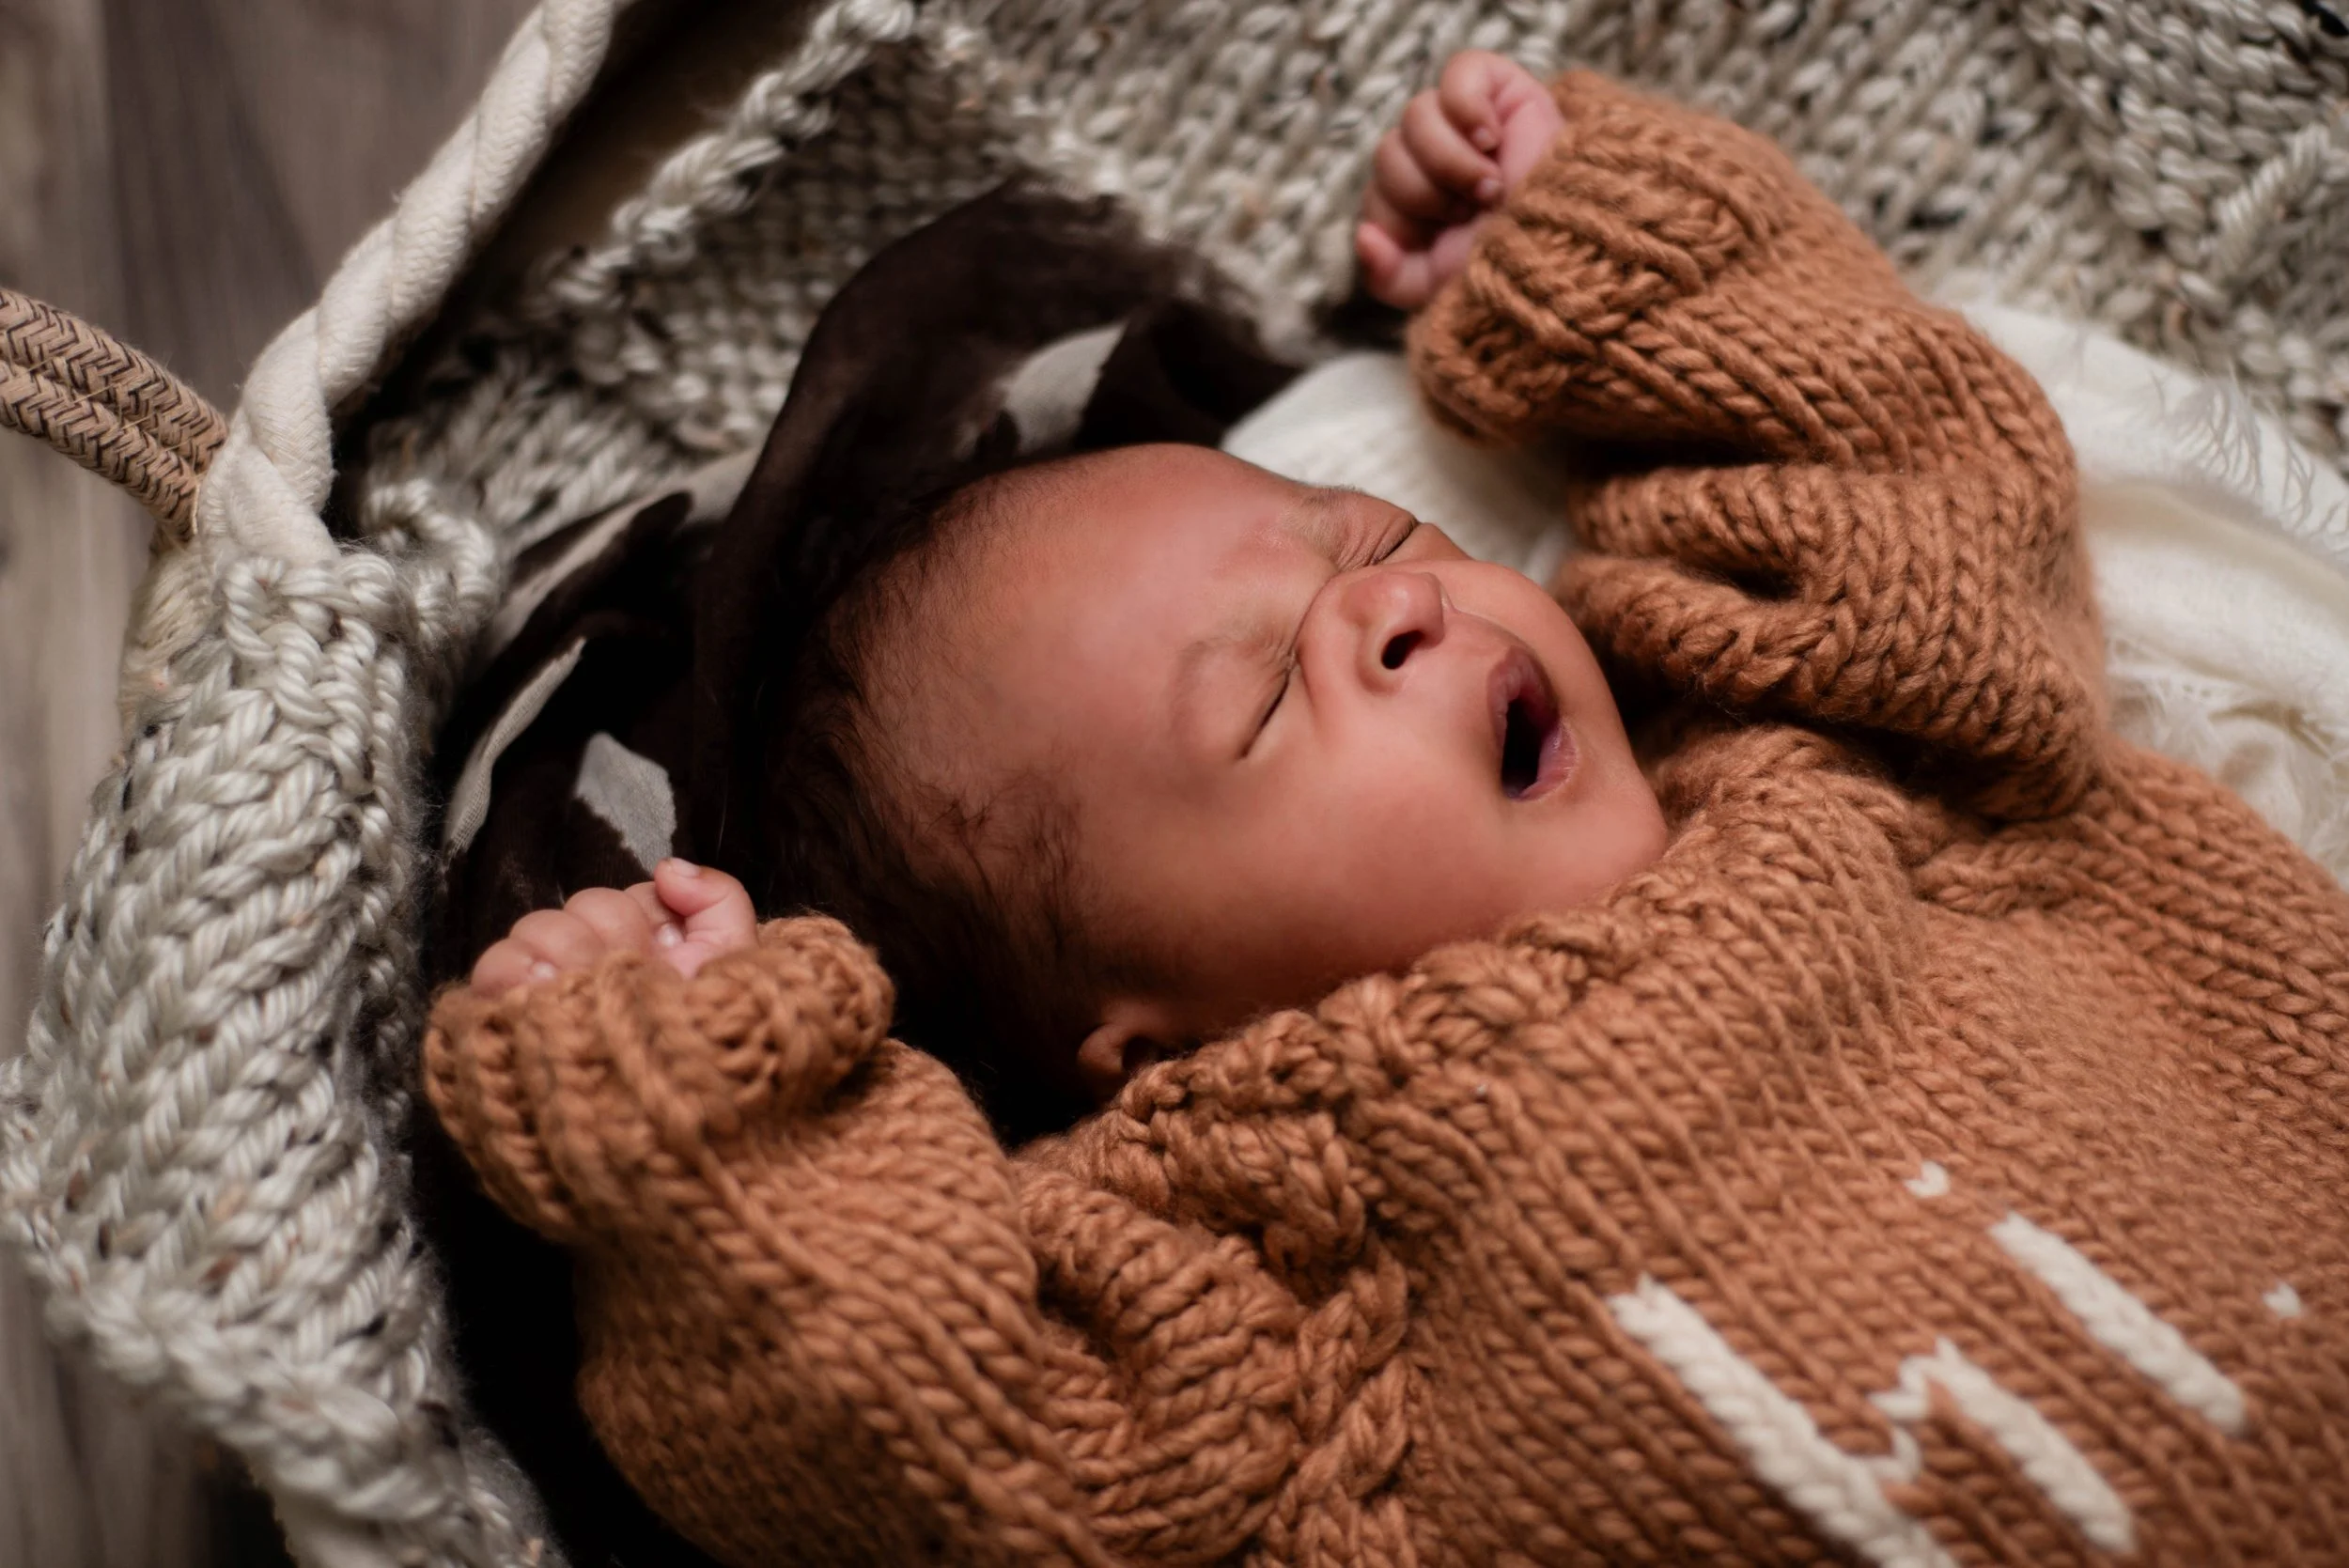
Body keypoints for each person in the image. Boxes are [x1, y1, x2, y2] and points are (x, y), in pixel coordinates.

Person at [426, 52, 2349, 1568]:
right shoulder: (1255, 1280)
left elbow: (1893, 472)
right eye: (1265, 692)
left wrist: (1580, 252)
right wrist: (699, 1119)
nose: (1397, 604)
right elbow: (915, 1429)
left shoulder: (1820, 764)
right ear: (1134, 1043)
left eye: (1369, 540)